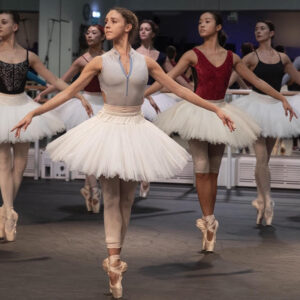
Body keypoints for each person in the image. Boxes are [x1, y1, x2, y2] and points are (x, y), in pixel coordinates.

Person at [12, 7, 235, 298]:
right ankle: (114, 262)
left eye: (113, 21)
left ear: (128, 26)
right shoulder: (99, 62)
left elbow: (181, 91)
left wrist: (216, 108)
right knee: (112, 196)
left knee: (127, 199)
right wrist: (35, 113)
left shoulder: (147, 63)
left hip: (135, 128)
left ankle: (117, 253)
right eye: (105, 21)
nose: (106, 25)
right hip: (108, 127)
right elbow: (68, 92)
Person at [145, 12, 295, 253]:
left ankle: (210, 220)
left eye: (206, 21)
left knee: (213, 170)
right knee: (201, 166)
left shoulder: (232, 57)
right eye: (199, 21)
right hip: (197, 112)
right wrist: (141, 96)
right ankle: (208, 220)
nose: (201, 24)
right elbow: (167, 79)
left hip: (222, 112)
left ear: (218, 27)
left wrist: (282, 99)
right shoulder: (192, 54)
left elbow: (257, 81)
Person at [0, 10, 91, 242]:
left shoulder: (29, 56)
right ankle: (8, 213)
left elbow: (53, 79)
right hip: (1, 106)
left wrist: (76, 93)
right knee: (3, 162)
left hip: (22, 106)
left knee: (20, 164)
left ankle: (6, 210)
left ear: (15, 27)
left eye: (3, 22)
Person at [232, 20, 300, 227]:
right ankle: (268, 201)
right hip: (255, 107)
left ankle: (262, 201)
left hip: (275, 109)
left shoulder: (283, 58)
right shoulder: (251, 57)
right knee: (261, 158)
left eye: (262, 29)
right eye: (256, 29)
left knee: (264, 160)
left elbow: (297, 78)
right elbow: (234, 76)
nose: (258, 32)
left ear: (271, 33)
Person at [35, 24, 105, 213]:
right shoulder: (81, 60)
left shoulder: (109, 58)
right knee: (89, 150)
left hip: (105, 106)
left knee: (97, 151)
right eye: (88, 33)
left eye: (94, 33)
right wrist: (43, 95)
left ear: (103, 36)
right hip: (86, 106)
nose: (89, 35)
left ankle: (87, 188)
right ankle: (95, 190)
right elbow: (62, 81)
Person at [136, 21, 193, 198]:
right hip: (137, 98)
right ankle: (139, 174)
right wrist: (146, 96)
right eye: (141, 29)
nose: (143, 32)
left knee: (152, 140)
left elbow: (174, 75)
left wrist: (192, 89)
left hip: (158, 98)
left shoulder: (160, 56)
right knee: (138, 140)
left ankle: (145, 174)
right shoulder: (133, 54)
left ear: (153, 34)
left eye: (147, 29)